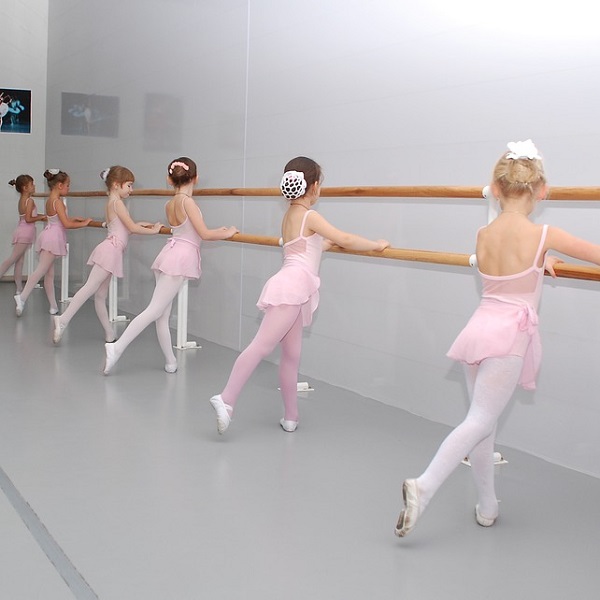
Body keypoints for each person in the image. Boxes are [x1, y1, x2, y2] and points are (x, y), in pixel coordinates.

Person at [395, 139, 600, 538]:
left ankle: (487, 505)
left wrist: (543, 260)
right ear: (541, 190)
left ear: (497, 189)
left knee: (483, 423)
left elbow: (512, 265)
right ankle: (425, 485)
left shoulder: (483, 234)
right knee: (480, 420)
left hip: (478, 329)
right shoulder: (544, 233)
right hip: (508, 337)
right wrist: (545, 256)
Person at [209, 156, 390, 435]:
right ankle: (226, 398)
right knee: (262, 346)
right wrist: (377, 245)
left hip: (295, 288)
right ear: (314, 186)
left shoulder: (290, 216)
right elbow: (345, 239)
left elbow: (306, 247)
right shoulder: (310, 216)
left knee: (292, 355)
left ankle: (291, 416)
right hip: (292, 287)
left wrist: (323, 245)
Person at [103, 157, 238, 375]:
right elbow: (203, 234)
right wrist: (228, 232)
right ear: (196, 178)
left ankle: (170, 361)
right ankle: (116, 348)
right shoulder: (187, 202)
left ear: (169, 180)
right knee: (155, 310)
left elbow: (189, 232)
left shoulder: (170, 204)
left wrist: (219, 231)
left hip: (169, 255)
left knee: (162, 315)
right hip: (179, 260)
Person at [52, 166, 163, 344]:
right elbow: (132, 227)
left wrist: (145, 225)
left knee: (100, 295)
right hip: (110, 251)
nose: (131, 190)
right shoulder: (117, 203)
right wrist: (154, 231)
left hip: (112, 250)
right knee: (90, 288)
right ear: (116, 184)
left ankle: (109, 334)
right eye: (129, 185)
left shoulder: (112, 202)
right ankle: (63, 319)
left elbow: (127, 227)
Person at [14, 169, 91, 316]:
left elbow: (59, 220)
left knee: (49, 274)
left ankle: (53, 307)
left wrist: (74, 219)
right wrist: (84, 223)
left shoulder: (51, 200)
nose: (69, 188)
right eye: (68, 185)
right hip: (53, 239)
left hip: (49, 235)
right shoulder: (58, 202)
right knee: (41, 270)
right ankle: (22, 297)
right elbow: (66, 224)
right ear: (60, 185)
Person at [0, 175, 46, 293]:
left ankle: (19, 289)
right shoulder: (29, 201)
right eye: (32, 184)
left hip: (22, 231)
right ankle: (18, 288)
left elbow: (29, 216)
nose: (34, 186)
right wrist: (41, 218)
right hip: (25, 233)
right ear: (25, 188)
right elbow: (29, 219)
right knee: (12, 259)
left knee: (19, 261)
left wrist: (43, 216)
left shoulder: (22, 200)